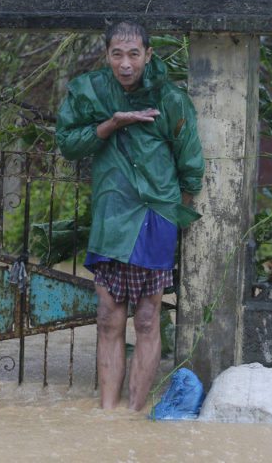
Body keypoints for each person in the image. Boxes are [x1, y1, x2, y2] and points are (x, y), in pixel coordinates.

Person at [56, 20, 204, 411]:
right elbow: (67, 144)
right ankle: (109, 419)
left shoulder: (169, 99)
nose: (126, 63)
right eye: (117, 54)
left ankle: (135, 413)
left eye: (134, 54)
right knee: (108, 316)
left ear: (148, 54)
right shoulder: (89, 92)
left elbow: (190, 164)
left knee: (147, 317)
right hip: (111, 213)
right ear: (107, 55)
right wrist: (111, 124)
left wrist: (179, 217)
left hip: (156, 214)